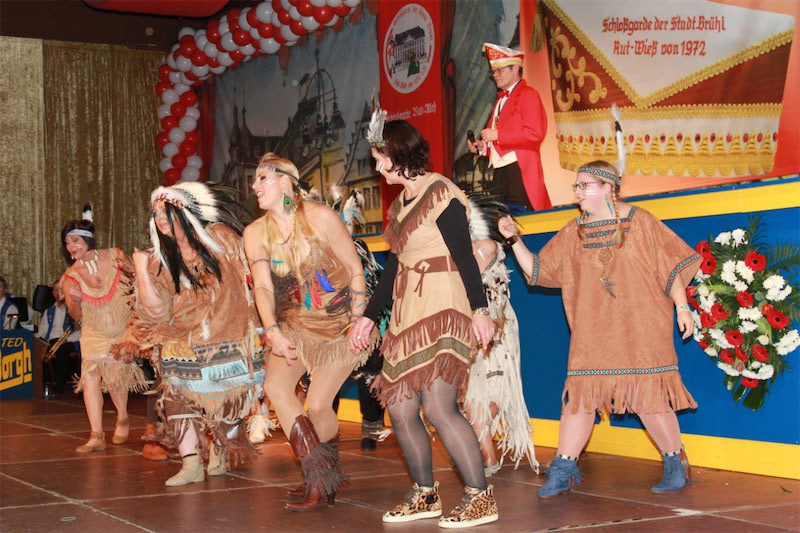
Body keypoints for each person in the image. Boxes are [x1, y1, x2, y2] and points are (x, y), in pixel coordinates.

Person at [498, 159, 702, 497]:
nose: (577, 192)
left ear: (608, 187)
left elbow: (672, 269)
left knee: (647, 397)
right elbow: (538, 271)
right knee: (579, 397)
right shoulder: (573, 232)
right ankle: (563, 469)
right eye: (576, 186)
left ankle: (675, 462)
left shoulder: (641, 222)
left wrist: (682, 308)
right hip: (592, 331)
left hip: (641, 327)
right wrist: (513, 240)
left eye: (584, 185)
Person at [351, 114, 499, 528]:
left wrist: (480, 309)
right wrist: (368, 318)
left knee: (438, 405)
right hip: (406, 312)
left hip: (443, 305)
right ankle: (424, 495)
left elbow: (465, 254)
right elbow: (394, 269)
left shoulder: (440, 191)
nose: (377, 167)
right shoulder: (399, 206)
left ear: (398, 154)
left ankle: (480, 497)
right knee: (400, 407)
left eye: (380, 158)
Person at [243, 153, 378, 511]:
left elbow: (355, 269)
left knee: (317, 405)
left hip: (341, 322)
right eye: (254, 180)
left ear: (286, 181)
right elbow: (263, 287)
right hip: (297, 322)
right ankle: (319, 478)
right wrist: (272, 330)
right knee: (275, 386)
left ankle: (323, 479)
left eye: (262, 178)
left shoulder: (321, 217)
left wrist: (358, 320)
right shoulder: (255, 233)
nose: (255, 186)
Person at [117, 182, 265, 486]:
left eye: (165, 212)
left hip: (227, 335)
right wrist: (142, 271)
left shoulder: (220, 238)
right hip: (181, 340)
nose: (160, 218)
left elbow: (252, 266)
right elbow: (156, 312)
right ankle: (191, 463)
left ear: (185, 212)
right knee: (177, 400)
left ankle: (220, 448)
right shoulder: (160, 260)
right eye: (156, 214)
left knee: (230, 404)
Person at [463, 199, 538, 477]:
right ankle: (483, 454)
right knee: (472, 395)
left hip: (492, 330)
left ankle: (486, 457)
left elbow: (467, 279)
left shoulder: (485, 247)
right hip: (472, 329)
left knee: (483, 394)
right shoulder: (466, 248)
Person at [60, 214, 147, 453]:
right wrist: (75, 301)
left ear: (88, 239)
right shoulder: (71, 277)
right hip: (93, 331)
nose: (71, 247)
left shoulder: (116, 256)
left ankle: (123, 417)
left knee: (116, 377)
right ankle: (96, 435)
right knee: (90, 376)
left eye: (75, 240)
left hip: (120, 327)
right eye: (67, 243)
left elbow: (138, 282)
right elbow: (76, 316)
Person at [467, 43, 551, 212]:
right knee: (503, 218)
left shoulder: (529, 94)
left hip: (519, 168)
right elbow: (500, 142)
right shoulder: (500, 101)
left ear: (516, 69)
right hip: (499, 171)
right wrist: (482, 147)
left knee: (523, 217)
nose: (495, 75)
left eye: (500, 70)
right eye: (493, 71)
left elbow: (535, 133)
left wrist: (497, 135)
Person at [37, 281, 81, 394]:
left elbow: (80, 331)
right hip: (51, 341)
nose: (58, 292)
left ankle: (59, 386)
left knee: (62, 351)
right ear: (52, 293)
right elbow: (42, 330)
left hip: (68, 341)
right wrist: (38, 341)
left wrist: (67, 339)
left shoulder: (74, 310)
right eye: (55, 290)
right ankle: (39, 385)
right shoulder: (48, 311)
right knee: (37, 351)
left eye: (60, 289)